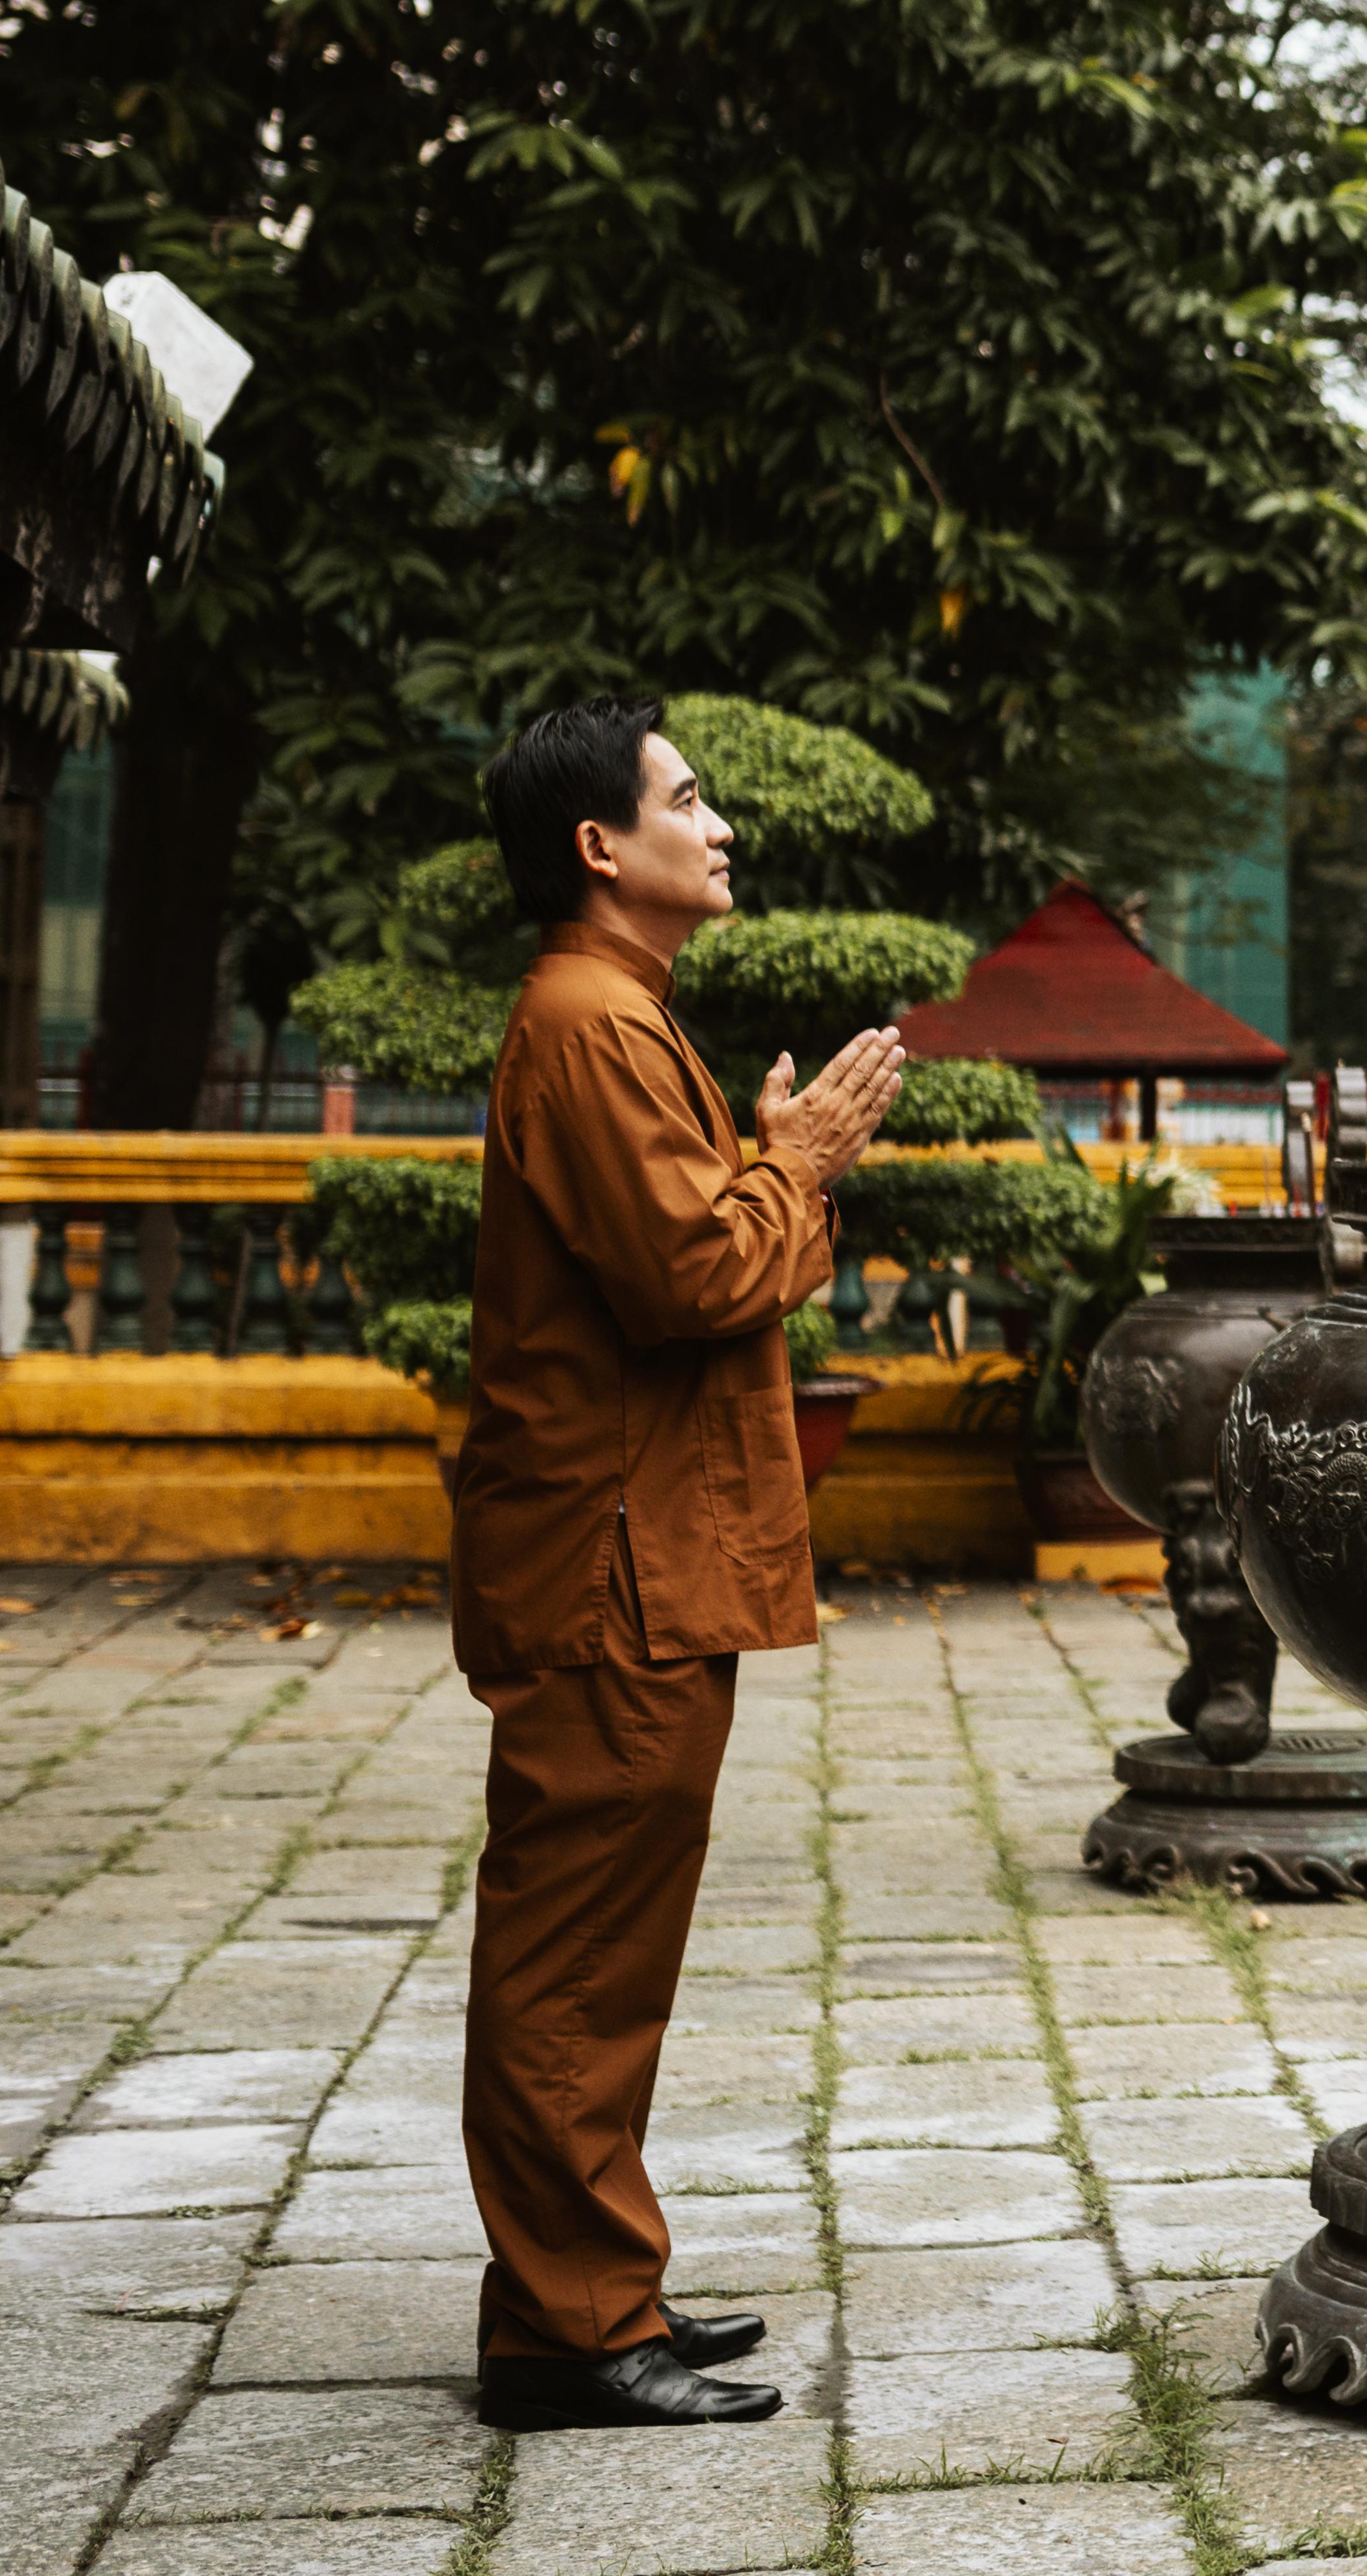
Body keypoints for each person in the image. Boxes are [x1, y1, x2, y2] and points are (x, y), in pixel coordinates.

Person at [451, 698, 908, 2431]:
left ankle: (583, 2293)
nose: (718, 827)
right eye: (688, 800)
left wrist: (755, 1155)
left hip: (633, 1553)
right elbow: (696, 1280)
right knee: (573, 1950)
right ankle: (572, 2334)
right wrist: (795, 1159)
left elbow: (681, 1236)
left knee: (608, 1940)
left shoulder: (622, 1017)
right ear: (600, 847)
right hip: (604, 1567)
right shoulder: (585, 1020)